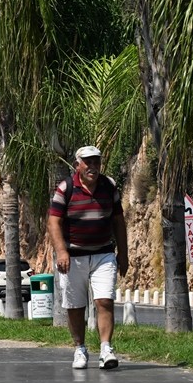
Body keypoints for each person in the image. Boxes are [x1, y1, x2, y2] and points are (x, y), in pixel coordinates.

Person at [47, 145, 129, 370]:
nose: (93, 166)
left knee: (104, 300)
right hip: (74, 257)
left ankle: (106, 349)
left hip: (103, 254)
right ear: (78, 165)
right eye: (88, 162)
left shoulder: (109, 186)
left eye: (96, 162)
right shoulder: (66, 188)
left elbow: (118, 221)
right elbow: (54, 222)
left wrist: (123, 254)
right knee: (75, 306)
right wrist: (62, 251)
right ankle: (80, 349)